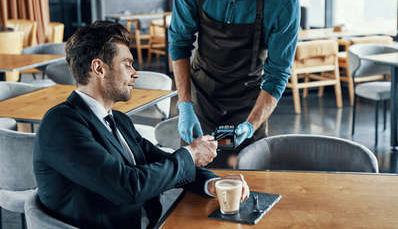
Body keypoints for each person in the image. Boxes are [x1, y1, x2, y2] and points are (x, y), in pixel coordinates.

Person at [33, 21, 250, 229]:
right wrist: (190, 154)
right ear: (99, 68)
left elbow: (161, 161)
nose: (135, 73)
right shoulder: (61, 125)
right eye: (127, 64)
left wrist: (211, 183)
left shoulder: (118, 120)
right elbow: (128, 187)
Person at [169, 0, 300, 165]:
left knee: (250, 184)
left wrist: (251, 124)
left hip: (250, 101)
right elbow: (179, 44)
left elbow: (278, 72)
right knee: (195, 185)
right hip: (201, 97)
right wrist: (185, 105)